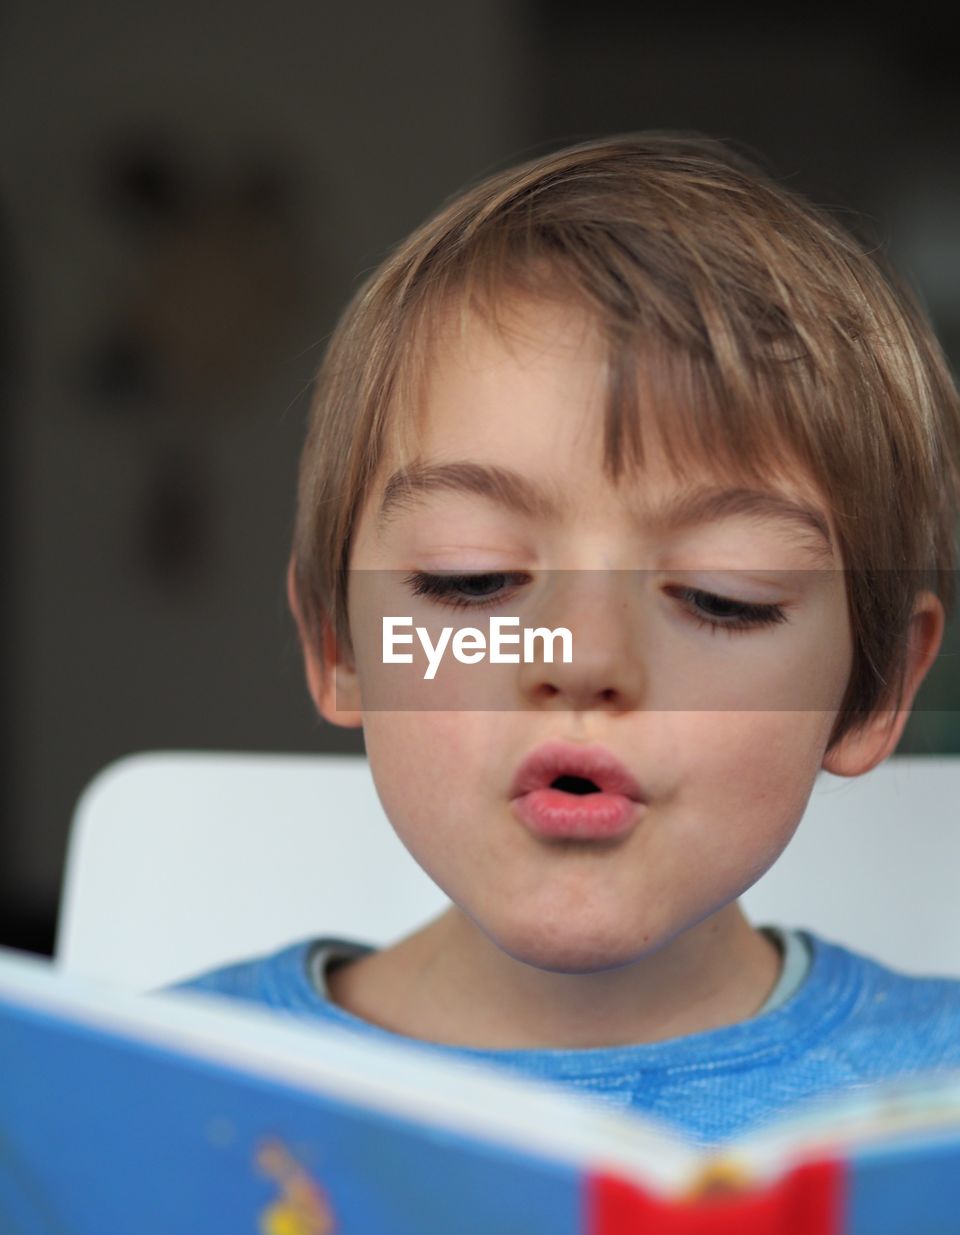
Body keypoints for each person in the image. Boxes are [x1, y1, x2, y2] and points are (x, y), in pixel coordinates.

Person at [164, 132, 960, 1146]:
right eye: (473, 578)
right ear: (339, 644)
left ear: (876, 681)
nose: (581, 660)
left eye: (724, 595)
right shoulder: (142, 1094)